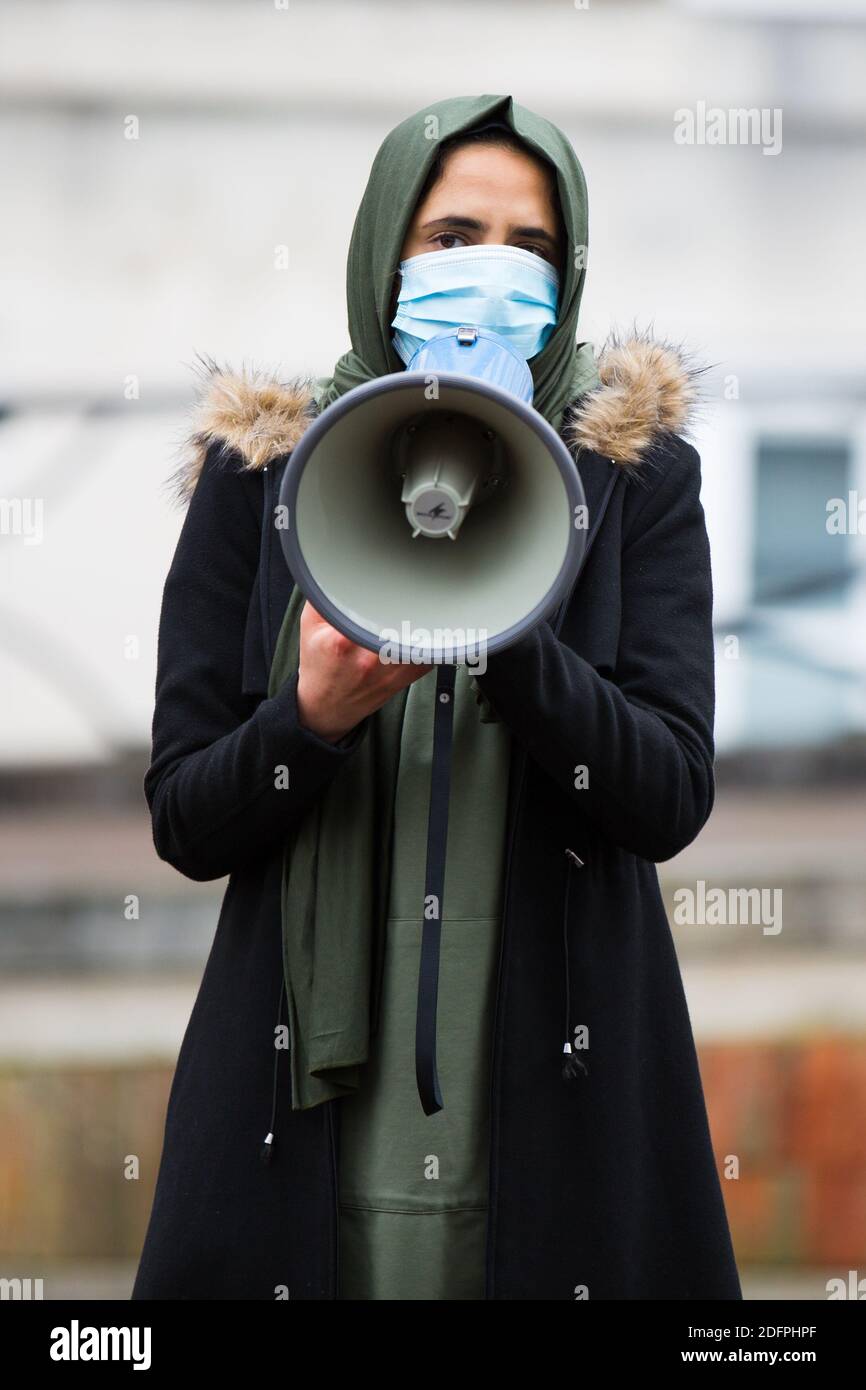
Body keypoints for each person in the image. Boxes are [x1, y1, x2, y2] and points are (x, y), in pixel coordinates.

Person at [131, 93, 742, 1301]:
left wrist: (517, 641)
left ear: (568, 273)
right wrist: (302, 728)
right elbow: (185, 818)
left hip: (557, 1087)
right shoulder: (260, 473)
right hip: (295, 1098)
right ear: (384, 250)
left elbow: (666, 795)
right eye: (453, 237)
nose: (491, 274)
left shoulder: (633, 477)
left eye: (528, 248)